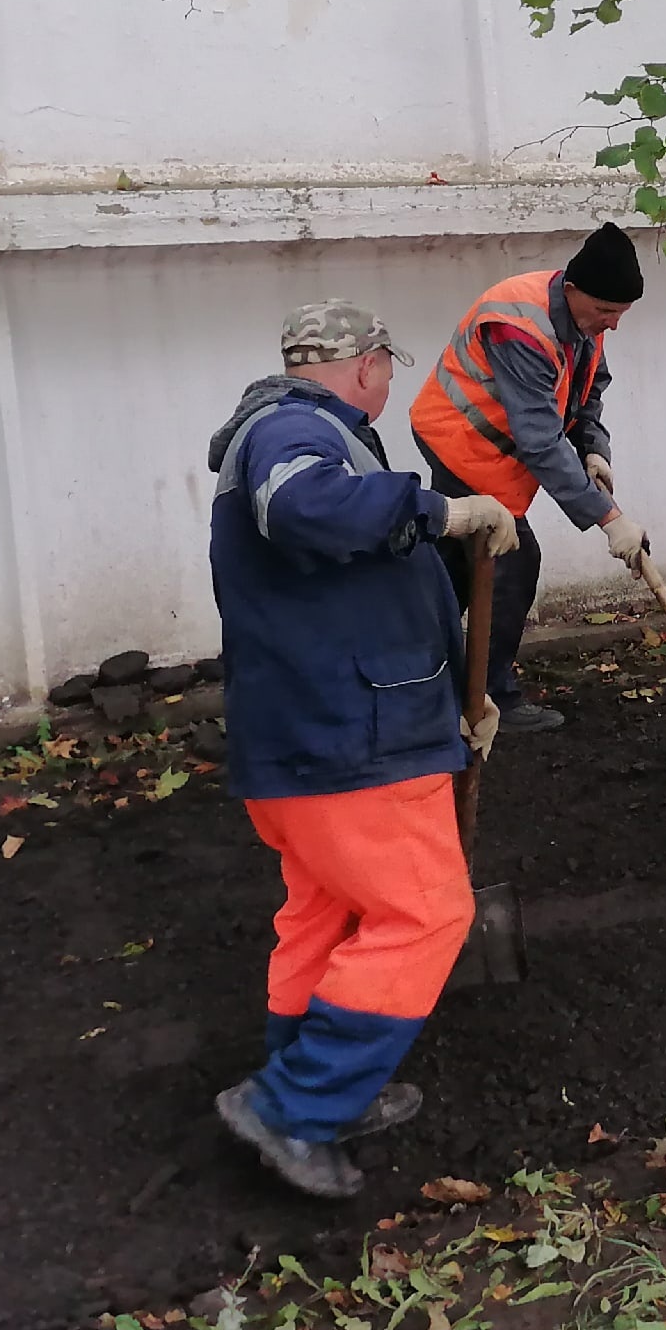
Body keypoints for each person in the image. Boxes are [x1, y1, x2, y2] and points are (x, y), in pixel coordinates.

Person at [205, 299, 519, 1197]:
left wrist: (463, 698)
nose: (389, 381)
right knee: (426, 914)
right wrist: (441, 512)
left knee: (329, 914)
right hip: (349, 737)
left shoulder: (298, 432)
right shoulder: (292, 431)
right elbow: (306, 509)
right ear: (368, 364)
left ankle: (321, 1093)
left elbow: (361, 585)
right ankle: (293, 1107)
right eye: (389, 366)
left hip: (317, 733)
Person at [408, 224, 651, 730]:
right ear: (572, 290)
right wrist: (609, 519)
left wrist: (593, 449)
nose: (613, 325)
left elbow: (588, 392)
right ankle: (487, 697)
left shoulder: (584, 323)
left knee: (452, 567)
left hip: (493, 447)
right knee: (512, 557)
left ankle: (416, 682)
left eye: (620, 315)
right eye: (607, 312)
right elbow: (539, 439)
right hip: (463, 442)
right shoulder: (519, 325)